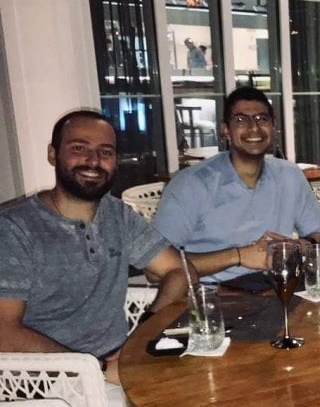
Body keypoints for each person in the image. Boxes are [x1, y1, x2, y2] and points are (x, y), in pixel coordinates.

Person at [0, 110, 191, 384]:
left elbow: (179, 270)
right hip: (43, 380)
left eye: (105, 152)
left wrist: (145, 330)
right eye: (79, 148)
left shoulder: (117, 215)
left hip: (116, 364)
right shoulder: (14, 228)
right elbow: (5, 333)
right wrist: (95, 370)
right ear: (53, 154)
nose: (93, 161)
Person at [154, 86, 320, 283]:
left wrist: (300, 246)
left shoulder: (289, 175)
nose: (254, 128)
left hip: (278, 288)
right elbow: (154, 271)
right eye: (241, 120)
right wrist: (238, 256)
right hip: (211, 294)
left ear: (273, 127)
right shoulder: (190, 185)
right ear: (225, 130)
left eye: (262, 119)